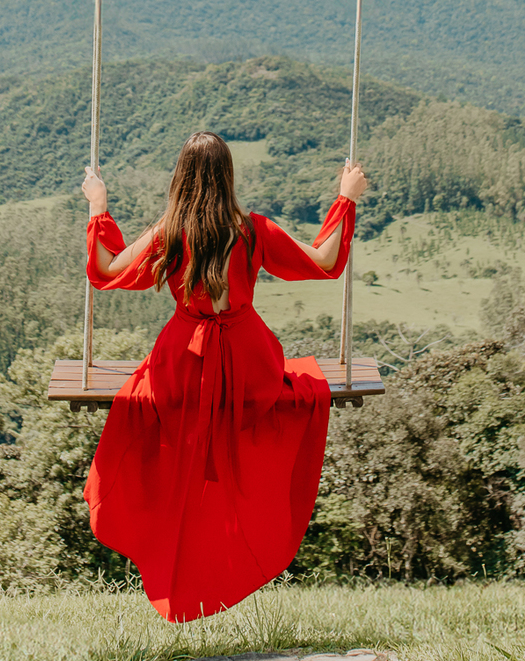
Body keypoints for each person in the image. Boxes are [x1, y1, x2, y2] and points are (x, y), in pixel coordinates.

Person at [81, 131, 368, 623]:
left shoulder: (168, 233)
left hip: (182, 369)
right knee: (294, 385)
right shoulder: (251, 230)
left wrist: (98, 206)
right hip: (249, 369)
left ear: (181, 179)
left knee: (152, 399)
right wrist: (346, 197)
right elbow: (324, 262)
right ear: (228, 176)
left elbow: (105, 270)